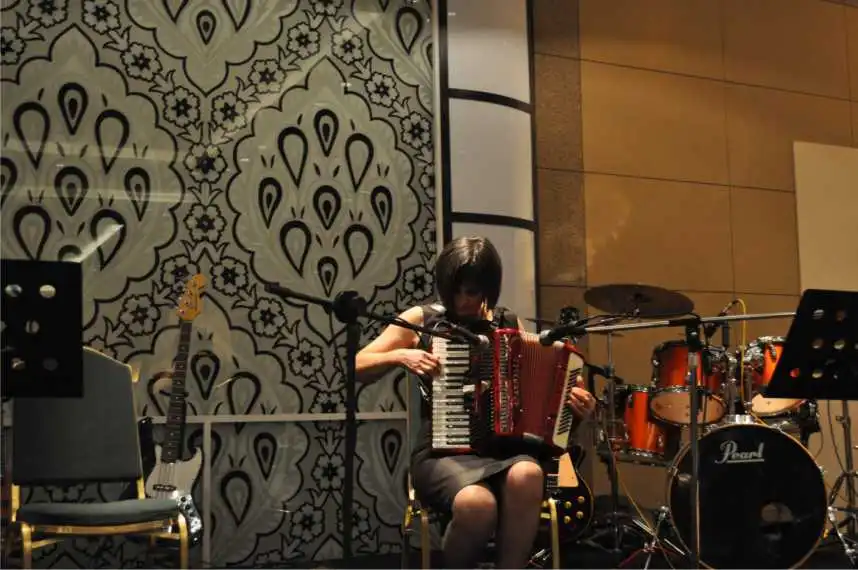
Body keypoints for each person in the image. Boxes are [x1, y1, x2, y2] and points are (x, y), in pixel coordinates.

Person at [356, 236, 597, 568]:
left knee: (528, 474)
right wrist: (400, 355)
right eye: (453, 291)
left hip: (502, 450)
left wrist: (574, 407)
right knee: (477, 506)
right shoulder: (423, 319)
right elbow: (357, 365)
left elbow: (542, 400)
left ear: (488, 289)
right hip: (442, 454)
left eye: (470, 292)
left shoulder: (507, 323)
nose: (461, 301)